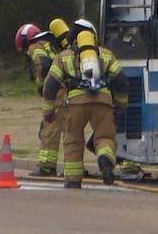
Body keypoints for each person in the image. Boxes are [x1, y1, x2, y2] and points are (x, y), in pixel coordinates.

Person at [42, 19, 129, 189]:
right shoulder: (105, 54)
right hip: (102, 103)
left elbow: (50, 84)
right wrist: (120, 103)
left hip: (75, 105)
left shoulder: (64, 57)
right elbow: (121, 80)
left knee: (73, 140)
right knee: (105, 137)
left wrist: (48, 110)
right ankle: (105, 159)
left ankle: (73, 180)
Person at [15, 23, 61, 177]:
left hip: (57, 91)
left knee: (49, 127)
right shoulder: (51, 44)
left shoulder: (35, 47)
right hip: (70, 89)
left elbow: (44, 64)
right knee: (71, 129)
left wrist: (43, 85)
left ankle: (47, 167)